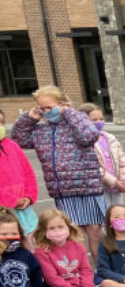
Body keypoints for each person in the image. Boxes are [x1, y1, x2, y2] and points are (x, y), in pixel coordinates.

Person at [11, 86, 105, 260]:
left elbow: (90, 135)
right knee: (73, 233)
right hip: (63, 190)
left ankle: (102, 268)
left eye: (50, 108)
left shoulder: (77, 121)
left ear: (63, 105)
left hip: (88, 186)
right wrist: (28, 119)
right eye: (42, 109)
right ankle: (83, 271)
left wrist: (69, 113)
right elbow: (18, 139)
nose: (46, 112)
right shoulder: (41, 130)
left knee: (95, 229)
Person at [32, 208, 111, 287]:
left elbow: (86, 271)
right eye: (51, 228)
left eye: (60, 227)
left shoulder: (78, 247)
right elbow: (52, 278)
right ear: (44, 231)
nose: (57, 231)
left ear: (68, 227)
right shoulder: (42, 251)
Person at [0, 208, 63, 287]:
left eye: (13, 233)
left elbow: (38, 281)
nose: (10, 238)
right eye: (4, 234)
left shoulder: (25, 254)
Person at [79, 103, 125, 210]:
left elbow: (123, 161)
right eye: (94, 120)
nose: (99, 122)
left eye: (101, 118)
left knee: (118, 214)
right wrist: (114, 182)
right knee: (103, 216)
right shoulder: (84, 141)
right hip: (99, 188)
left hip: (117, 187)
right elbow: (95, 167)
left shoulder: (110, 138)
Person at [0, 108, 40, 243]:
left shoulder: (12, 146)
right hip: (4, 209)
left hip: (23, 207)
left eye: (1, 122)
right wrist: (11, 201)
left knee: (32, 241)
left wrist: (29, 197)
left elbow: (28, 173)